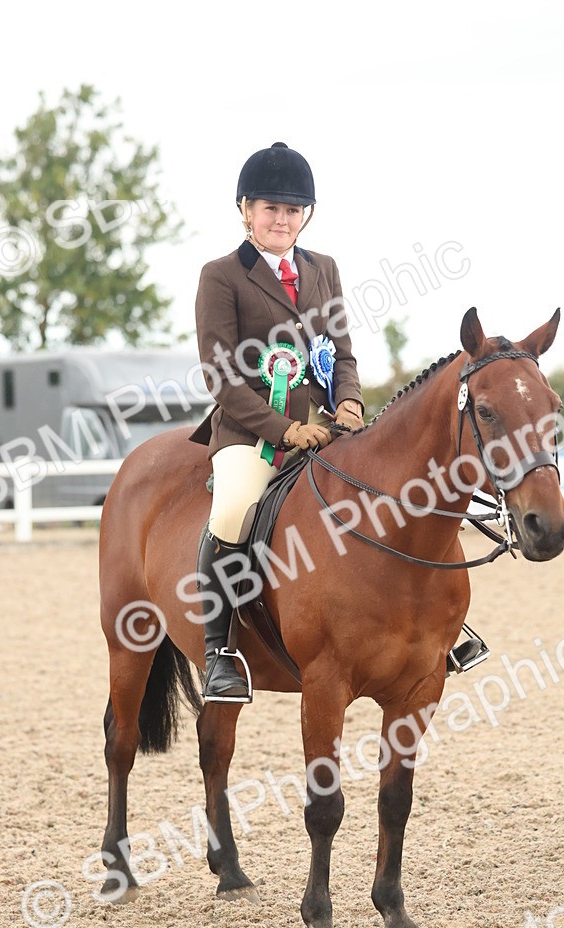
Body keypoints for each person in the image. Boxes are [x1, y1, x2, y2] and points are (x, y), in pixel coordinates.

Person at [189, 141, 364, 703]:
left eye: (292, 210)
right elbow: (220, 376)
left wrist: (351, 403)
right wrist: (282, 431)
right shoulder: (221, 276)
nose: (282, 219)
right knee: (236, 508)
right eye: (271, 208)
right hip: (249, 432)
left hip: (322, 425)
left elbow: (342, 352)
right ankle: (219, 653)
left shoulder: (324, 269)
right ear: (246, 209)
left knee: (383, 486)